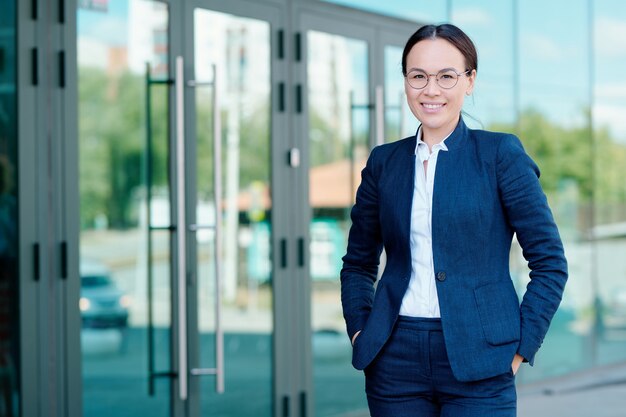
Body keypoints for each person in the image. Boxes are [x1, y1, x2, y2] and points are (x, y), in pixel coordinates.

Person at [340, 23, 567, 417]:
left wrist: (519, 349)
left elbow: (549, 263)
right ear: (406, 82)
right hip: (395, 358)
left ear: (470, 81)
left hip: (482, 359)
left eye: (446, 76)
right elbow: (358, 264)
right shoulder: (384, 162)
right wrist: (361, 331)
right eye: (418, 76)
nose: (431, 90)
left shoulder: (500, 155)